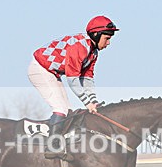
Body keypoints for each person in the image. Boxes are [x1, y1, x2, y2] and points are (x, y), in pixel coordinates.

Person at [28, 15, 119, 159]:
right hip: (40, 69)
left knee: (68, 110)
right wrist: (87, 102)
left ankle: (60, 143)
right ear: (96, 35)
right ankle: (51, 147)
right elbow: (73, 80)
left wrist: (93, 100)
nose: (108, 43)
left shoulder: (93, 53)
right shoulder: (79, 47)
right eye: (107, 38)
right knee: (61, 109)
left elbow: (87, 78)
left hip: (52, 73)